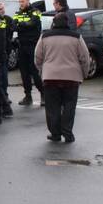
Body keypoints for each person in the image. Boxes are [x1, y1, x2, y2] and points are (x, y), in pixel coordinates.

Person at [34, 12, 91, 143]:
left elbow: (37, 56)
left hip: (50, 78)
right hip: (71, 78)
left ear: (53, 23)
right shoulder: (76, 37)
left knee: (52, 107)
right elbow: (85, 58)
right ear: (67, 22)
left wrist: (42, 70)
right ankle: (67, 133)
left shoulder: (45, 37)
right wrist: (84, 73)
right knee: (69, 106)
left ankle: (55, 133)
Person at [13, 0, 44, 106]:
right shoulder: (18, 13)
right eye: (19, 2)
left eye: (23, 1)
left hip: (33, 46)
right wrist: (23, 25)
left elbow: (32, 24)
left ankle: (43, 95)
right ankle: (28, 96)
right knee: (24, 73)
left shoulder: (36, 11)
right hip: (22, 46)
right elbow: (13, 26)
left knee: (35, 72)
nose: (21, 4)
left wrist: (20, 25)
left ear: (28, 0)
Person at [0, 1, 15, 118]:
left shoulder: (7, 19)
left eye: (3, 8)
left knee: (4, 77)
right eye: (0, 9)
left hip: (6, 51)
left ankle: (5, 96)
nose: (3, 10)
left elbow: (12, 29)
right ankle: (2, 99)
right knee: (0, 77)